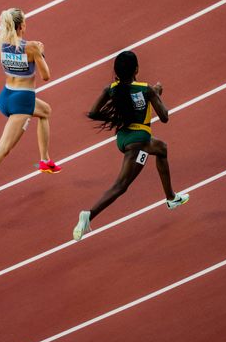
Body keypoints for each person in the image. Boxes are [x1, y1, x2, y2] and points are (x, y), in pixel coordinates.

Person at [73, 50, 188, 240]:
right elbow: (165, 117)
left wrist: (115, 117)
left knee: (161, 148)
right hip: (138, 142)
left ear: (116, 72)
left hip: (124, 138)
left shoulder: (111, 89)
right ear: (137, 69)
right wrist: (157, 95)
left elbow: (93, 113)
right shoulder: (146, 89)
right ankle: (88, 215)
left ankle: (171, 198)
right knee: (120, 186)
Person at [0, 7, 61, 214]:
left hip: (6, 97)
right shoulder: (32, 48)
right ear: (21, 26)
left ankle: (44, 160)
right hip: (22, 102)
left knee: (45, 111)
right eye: (25, 22)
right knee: (3, 149)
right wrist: (41, 53)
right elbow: (45, 76)